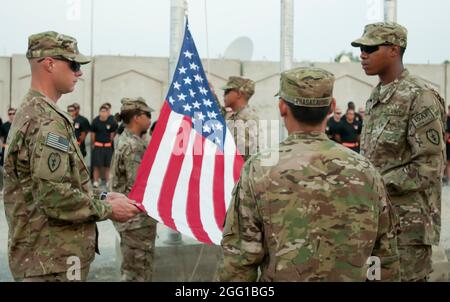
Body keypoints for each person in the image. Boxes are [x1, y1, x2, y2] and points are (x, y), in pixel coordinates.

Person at [216, 67, 400, 282]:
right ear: (331, 107)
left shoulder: (259, 169)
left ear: (282, 107)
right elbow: (385, 259)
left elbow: (239, 261)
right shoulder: (366, 171)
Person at [2, 31, 139, 282]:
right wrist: (108, 208)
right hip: (53, 262)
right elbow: (53, 196)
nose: (79, 73)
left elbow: (45, 186)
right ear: (50, 64)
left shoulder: (34, 111)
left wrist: (103, 195)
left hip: (47, 258)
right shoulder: (46, 120)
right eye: (74, 64)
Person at [352, 22, 446, 281]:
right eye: (361, 48)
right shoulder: (377, 95)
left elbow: (429, 166)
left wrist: (376, 184)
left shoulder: (419, 96)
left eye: (370, 48)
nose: (363, 54)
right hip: (377, 223)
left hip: (407, 230)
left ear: (394, 50)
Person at [109, 97, 157, 282]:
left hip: (133, 220)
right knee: (138, 274)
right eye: (148, 115)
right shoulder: (133, 145)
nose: (150, 119)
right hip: (136, 221)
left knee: (134, 270)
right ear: (137, 117)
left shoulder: (126, 138)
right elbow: (139, 183)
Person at [221, 76, 259, 161]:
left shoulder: (246, 118)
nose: (223, 95)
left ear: (238, 93)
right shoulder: (237, 116)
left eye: (227, 91)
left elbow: (241, 154)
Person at [91, 104, 118, 188]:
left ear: (107, 113)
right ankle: (95, 181)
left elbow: (113, 133)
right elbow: (92, 134)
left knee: (108, 166)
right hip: (98, 146)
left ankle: (107, 182)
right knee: (96, 165)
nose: (103, 113)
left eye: (105, 111)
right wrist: (93, 143)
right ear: (99, 112)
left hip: (108, 147)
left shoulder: (111, 121)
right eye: (102, 111)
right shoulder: (95, 121)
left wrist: (110, 141)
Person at [445, 105, 450, 185]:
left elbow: (447, 134)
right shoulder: (447, 119)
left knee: (448, 163)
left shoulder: (448, 120)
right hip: (448, 143)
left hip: (448, 144)